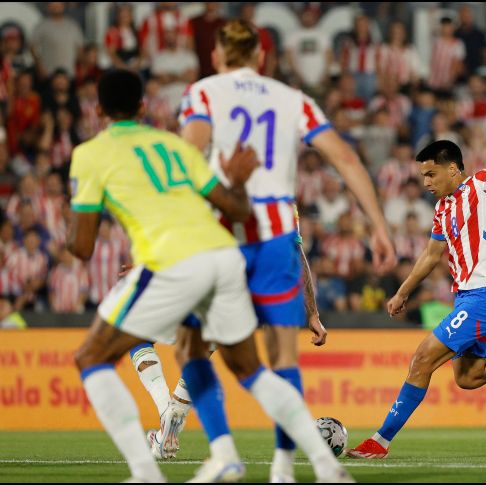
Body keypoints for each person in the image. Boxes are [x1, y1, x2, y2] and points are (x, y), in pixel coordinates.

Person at [134, 19, 395, 482]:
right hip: (276, 236)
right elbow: (345, 157)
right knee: (282, 360)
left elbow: (185, 162)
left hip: (222, 235)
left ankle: (222, 451)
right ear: (261, 57)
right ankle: (287, 467)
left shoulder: (203, 93)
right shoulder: (292, 98)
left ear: (216, 56)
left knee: (193, 345)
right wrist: (377, 226)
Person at [71, 69, 352, 483]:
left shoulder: (91, 154)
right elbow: (235, 209)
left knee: (92, 357)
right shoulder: (175, 146)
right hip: (225, 265)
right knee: (237, 367)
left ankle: (146, 471)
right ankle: (317, 465)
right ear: (143, 107)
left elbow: (81, 246)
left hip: (176, 262)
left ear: (97, 110)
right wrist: (236, 181)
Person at [346, 101, 486, 459]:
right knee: (469, 377)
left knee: (422, 359)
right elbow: (430, 256)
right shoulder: (442, 209)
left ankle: (380, 441)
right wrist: (402, 292)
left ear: (453, 169)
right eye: (423, 176)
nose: (426, 183)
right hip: (467, 298)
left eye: (431, 174)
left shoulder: (483, 185)